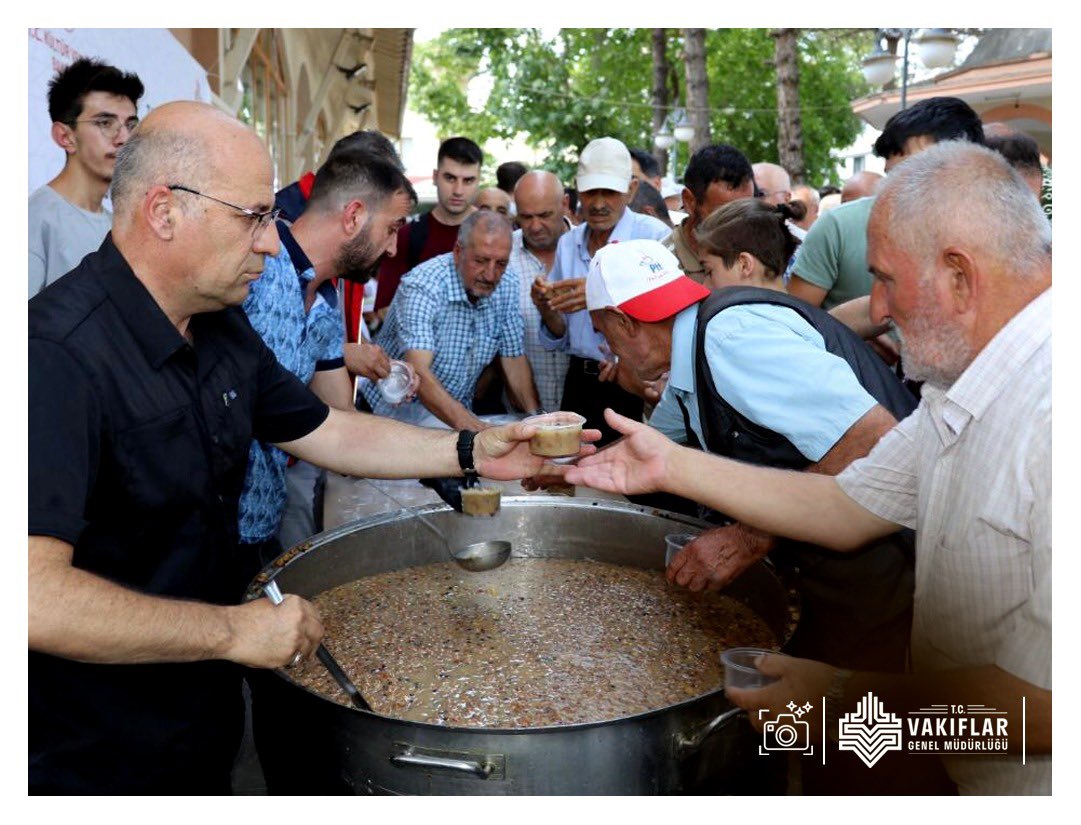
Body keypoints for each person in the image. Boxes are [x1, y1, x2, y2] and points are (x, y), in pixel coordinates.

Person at [28, 101, 592, 794]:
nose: (271, 243)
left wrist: (475, 451)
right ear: (165, 210)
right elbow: (30, 596)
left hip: (198, 722)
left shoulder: (218, 326)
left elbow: (328, 427)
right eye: (254, 217)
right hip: (87, 753)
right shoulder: (52, 355)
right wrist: (231, 633)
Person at [564, 141, 1051, 795]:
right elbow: (845, 507)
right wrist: (671, 466)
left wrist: (848, 705)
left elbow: (1049, 709)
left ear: (959, 276)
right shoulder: (953, 392)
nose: (874, 311)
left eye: (884, 278)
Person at [585, 217, 916, 673]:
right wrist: (566, 466)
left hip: (887, 564)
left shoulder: (729, 339)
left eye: (605, 337)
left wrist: (748, 536)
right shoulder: (691, 351)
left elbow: (875, 440)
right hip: (829, 564)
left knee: (852, 727)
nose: (609, 352)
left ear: (624, 323)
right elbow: (646, 449)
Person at [240, 148, 416, 559]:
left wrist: (452, 460)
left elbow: (343, 423)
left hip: (259, 525)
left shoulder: (326, 296)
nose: (392, 249)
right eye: (391, 229)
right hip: (198, 529)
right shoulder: (254, 268)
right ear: (354, 216)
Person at [534, 136, 670, 445]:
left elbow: (670, 318)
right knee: (572, 470)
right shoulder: (569, 243)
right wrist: (546, 306)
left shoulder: (654, 236)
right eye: (590, 192)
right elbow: (562, 333)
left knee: (634, 479)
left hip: (637, 381)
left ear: (631, 190)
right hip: (580, 381)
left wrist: (599, 292)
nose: (597, 203)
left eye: (608, 192)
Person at [789, 96, 984, 310]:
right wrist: (850, 332)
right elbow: (794, 323)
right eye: (893, 176)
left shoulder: (999, 233)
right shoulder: (839, 226)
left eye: (918, 174)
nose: (899, 188)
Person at [359, 210, 541, 429]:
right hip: (392, 416)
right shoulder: (423, 285)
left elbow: (513, 358)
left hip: (453, 416)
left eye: (501, 263)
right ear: (457, 252)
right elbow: (419, 370)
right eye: (481, 261)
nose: (491, 274)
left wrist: (537, 421)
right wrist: (475, 430)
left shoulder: (508, 282)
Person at [29, 57, 144, 297]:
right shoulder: (35, 219)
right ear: (65, 137)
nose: (123, 138)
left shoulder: (120, 225)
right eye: (105, 122)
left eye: (131, 125)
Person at [374, 136, 483, 315]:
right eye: (450, 178)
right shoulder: (406, 236)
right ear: (435, 177)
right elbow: (384, 310)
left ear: (478, 181)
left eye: (468, 180)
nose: (458, 190)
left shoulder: (496, 236)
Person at [513, 171, 572, 412]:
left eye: (545, 215)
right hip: (520, 415)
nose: (535, 226)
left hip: (590, 409)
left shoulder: (590, 250)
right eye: (526, 217)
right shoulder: (500, 258)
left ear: (565, 204)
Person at [662, 144, 755, 283]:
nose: (739, 226)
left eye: (746, 213)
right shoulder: (663, 266)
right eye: (725, 215)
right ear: (689, 201)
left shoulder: (762, 253)